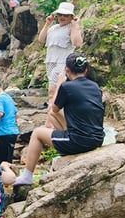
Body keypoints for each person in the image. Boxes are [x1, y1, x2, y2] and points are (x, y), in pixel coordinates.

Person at [13, 53, 104, 186]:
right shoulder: (95, 86)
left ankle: (27, 176)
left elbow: (54, 107)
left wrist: (60, 83)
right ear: (86, 69)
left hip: (79, 141)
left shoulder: (67, 87)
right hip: (97, 139)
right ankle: (64, 147)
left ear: (67, 70)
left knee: (37, 133)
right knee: (53, 115)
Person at [38, 2, 83, 130]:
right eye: (60, 15)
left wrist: (76, 25)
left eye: (66, 15)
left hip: (63, 63)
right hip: (50, 62)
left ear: (71, 16)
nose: (62, 17)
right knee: (52, 93)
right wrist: (47, 23)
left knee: (54, 91)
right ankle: (53, 121)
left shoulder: (71, 28)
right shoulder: (53, 28)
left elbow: (77, 43)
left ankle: (50, 122)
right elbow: (41, 40)